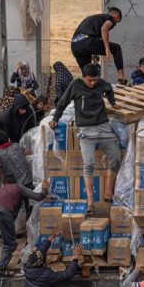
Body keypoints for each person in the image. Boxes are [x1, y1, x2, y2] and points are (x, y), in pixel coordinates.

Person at [50, 63, 122, 214]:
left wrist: (113, 102)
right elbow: (63, 102)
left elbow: (109, 89)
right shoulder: (75, 85)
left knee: (115, 158)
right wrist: (56, 118)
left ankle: (108, 193)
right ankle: (90, 202)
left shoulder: (102, 83)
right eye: (90, 80)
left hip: (103, 127)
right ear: (83, 77)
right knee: (89, 164)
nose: (93, 83)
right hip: (86, 131)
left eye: (95, 80)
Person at [0, 177, 49, 276]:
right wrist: (45, 189)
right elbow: (38, 197)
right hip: (3, 214)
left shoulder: (0, 190)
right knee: (9, 243)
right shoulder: (18, 187)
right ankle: (0, 268)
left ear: (3, 183)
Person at [71, 8, 126, 84]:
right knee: (116, 48)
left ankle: (86, 89)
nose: (115, 25)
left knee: (88, 75)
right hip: (87, 42)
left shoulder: (95, 19)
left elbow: (92, 38)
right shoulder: (111, 18)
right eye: (117, 22)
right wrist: (107, 49)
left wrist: (95, 52)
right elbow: (104, 28)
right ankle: (121, 78)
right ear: (116, 16)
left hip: (75, 45)